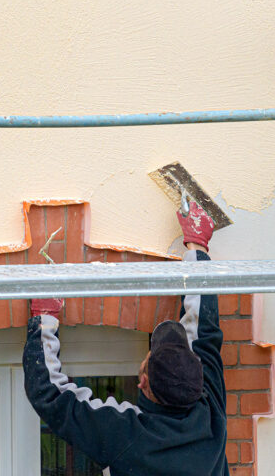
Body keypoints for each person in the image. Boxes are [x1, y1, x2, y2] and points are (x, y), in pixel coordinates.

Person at [22, 201, 229, 476]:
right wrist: (198, 246)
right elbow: (204, 330)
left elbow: (50, 395)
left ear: (143, 383)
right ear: (199, 378)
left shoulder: (126, 435)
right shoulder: (211, 416)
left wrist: (44, 316)